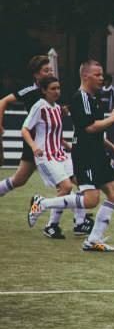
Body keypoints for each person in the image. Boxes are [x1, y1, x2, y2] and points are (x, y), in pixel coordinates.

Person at [0, 55, 92, 235]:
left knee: (70, 183)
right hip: (37, 146)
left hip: (52, 147)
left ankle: (77, 220)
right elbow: (3, 102)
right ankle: (63, 221)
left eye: (50, 69)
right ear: (36, 75)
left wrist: (65, 143)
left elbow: (54, 125)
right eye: (45, 70)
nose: (49, 72)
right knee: (25, 180)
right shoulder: (31, 93)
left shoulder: (53, 96)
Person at [65, 60, 114, 252]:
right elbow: (90, 127)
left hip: (98, 153)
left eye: (102, 74)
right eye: (97, 75)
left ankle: (93, 240)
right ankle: (43, 203)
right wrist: (112, 119)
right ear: (85, 76)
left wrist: (113, 148)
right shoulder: (81, 97)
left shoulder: (94, 98)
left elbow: (97, 132)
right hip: (86, 154)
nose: (101, 78)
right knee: (91, 200)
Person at [24, 76, 82, 239]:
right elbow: (25, 129)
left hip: (60, 154)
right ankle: (51, 225)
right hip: (45, 156)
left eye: (58, 88)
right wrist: (34, 147)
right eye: (53, 89)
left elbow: (56, 136)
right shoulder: (39, 106)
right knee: (66, 187)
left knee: (82, 182)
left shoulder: (57, 108)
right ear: (44, 91)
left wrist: (70, 146)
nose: (57, 91)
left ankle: (80, 221)